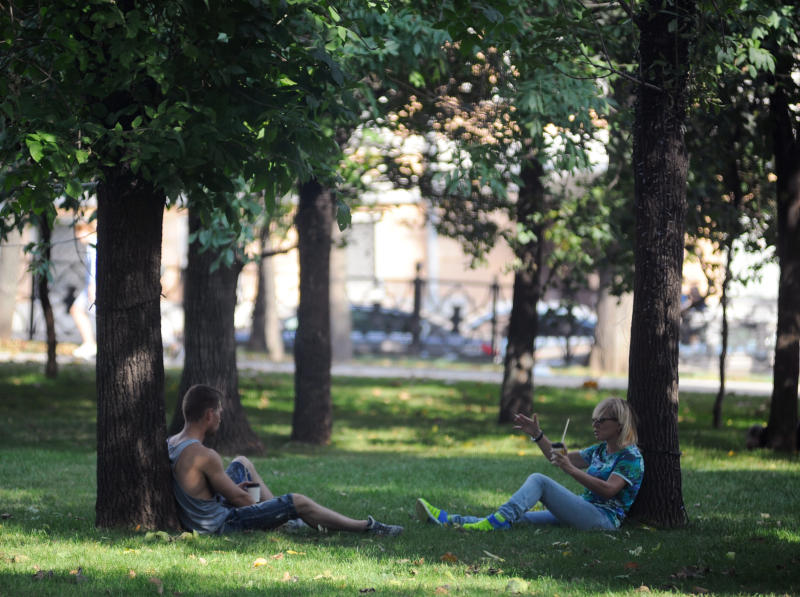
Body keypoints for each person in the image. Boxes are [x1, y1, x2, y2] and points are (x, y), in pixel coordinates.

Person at [167, 384, 403, 536]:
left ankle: (288, 522)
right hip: (220, 525)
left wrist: (237, 495)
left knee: (242, 463)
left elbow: (200, 487)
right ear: (209, 415)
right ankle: (366, 527)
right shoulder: (205, 455)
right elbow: (239, 498)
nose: (220, 418)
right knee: (296, 502)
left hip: (207, 511)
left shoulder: (172, 442)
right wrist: (270, 513)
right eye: (219, 412)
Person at [415, 397, 643, 531]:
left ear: (620, 424)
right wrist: (537, 435)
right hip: (582, 510)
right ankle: (452, 521)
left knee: (539, 481)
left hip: (603, 520)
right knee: (517, 519)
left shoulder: (630, 457)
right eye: (594, 420)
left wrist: (570, 469)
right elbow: (557, 456)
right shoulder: (601, 449)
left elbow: (609, 490)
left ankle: (495, 521)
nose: (595, 425)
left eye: (601, 421)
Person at [70, 220, 97, 359]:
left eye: (80, 231)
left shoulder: (93, 244)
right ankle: (90, 343)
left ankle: (90, 344)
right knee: (77, 310)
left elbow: (94, 267)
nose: (78, 236)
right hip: (91, 285)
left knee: (77, 310)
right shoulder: (92, 244)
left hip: (94, 285)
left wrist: (92, 286)